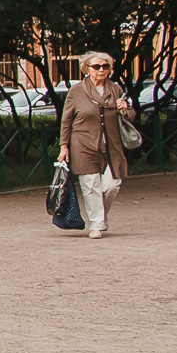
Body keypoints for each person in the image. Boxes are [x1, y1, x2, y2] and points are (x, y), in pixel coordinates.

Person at [59, 52, 136, 239]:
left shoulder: (115, 89)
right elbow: (66, 120)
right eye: (96, 67)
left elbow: (130, 115)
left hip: (112, 145)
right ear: (87, 69)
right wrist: (64, 146)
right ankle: (96, 225)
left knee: (113, 184)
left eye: (105, 66)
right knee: (90, 185)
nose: (101, 70)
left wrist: (125, 109)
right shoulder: (77, 91)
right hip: (83, 143)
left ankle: (99, 216)